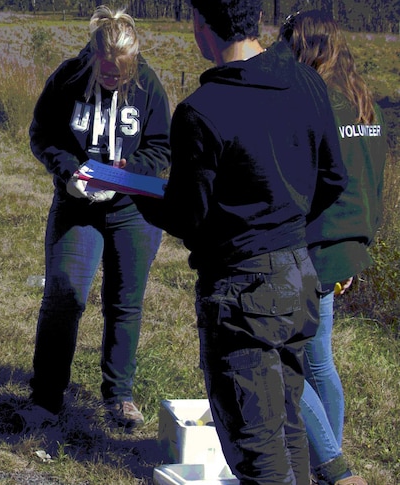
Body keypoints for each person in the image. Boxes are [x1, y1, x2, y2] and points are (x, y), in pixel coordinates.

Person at [128, 0, 347, 483]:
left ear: (202, 26)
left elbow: (187, 216)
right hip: (298, 279)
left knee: (259, 451)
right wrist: (285, 221)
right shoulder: (306, 82)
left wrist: (136, 193)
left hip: (241, 293)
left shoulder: (203, 111)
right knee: (288, 426)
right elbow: (334, 177)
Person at [20, 5, 171, 430]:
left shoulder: (148, 86)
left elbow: (162, 147)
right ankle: (47, 398)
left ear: (133, 63)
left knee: (125, 303)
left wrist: (132, 171)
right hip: (77, 205)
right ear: (94, 54)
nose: (114, 80)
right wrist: (68, 172)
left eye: (122, 74)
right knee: (64, 296)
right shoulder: (67, 78)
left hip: (132, 211)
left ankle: (119, 396)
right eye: (107, 72)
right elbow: (42, 134)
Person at [280, 10, 387, 485]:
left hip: (316, 243)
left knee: (285, 356)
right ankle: (329, 460)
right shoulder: (366, 104)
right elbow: (374, 180)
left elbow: (305, 182)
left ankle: (335, 469)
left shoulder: (315, 101)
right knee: (319, 357)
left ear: (305, 47)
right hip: (350, 240)